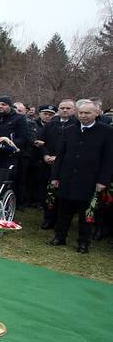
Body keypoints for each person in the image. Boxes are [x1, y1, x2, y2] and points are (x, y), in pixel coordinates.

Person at [48, 99, 112, 253]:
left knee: (86, 214)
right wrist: (55, 177)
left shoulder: (106, 131)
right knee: (64, 211)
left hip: (89, 180)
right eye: (81, 113)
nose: (83, 116)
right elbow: (60, 155)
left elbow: (108, 159)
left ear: (96, 113)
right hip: (67, 178)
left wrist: (103, 180)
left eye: (87, 113)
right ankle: (60, 236)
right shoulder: (70, 129)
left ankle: (83, 242)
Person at [37, 99, 77, 229]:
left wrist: (59, 158)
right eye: (62, 108)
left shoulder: (77, 125)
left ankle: (61, 220)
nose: (64, 110)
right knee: (47, 192)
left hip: (66, 165)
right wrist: (45, 155)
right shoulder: (51, 124)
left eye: (68, 108)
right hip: (48, 163)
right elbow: (40, 141)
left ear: (74, 110)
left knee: (62, 194)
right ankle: (48, 218)